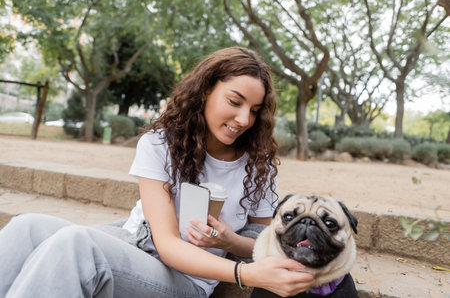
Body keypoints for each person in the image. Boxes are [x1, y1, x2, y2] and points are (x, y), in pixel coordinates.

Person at [0, 47, 314, 298]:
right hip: (135, 240)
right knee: (26, 227)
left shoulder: (258, 165)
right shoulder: (161, 142)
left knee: (76, 244)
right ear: (205, 90)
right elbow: (164, 240)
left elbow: (263, 241)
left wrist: (230, 242)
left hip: (186, 278)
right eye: (235, 101)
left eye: (255, 111)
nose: (244, 118)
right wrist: (244, 274)